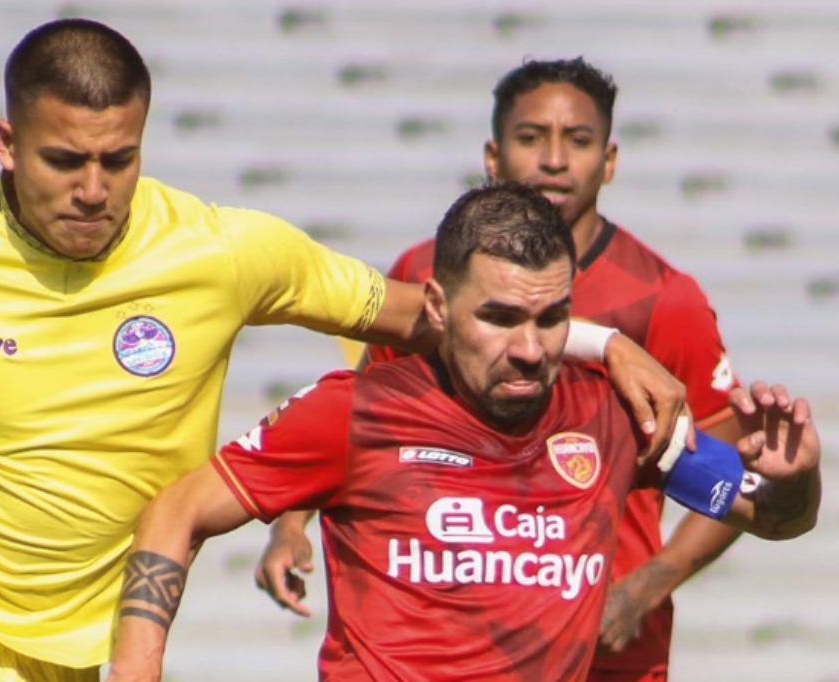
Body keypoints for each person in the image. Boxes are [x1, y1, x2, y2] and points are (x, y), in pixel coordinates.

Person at [0, 22, 682, 681]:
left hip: (73, 644)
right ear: (8, 145)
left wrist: (598, 344)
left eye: (119, 157)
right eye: (65, 160)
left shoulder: (227, 250)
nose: (94, 187)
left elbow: (435, 314)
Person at [106, 182, 822, 682]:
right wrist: (137, 671)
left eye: (551, 320)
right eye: (501, 319)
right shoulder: (355, 412)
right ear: (441, 307)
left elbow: (768, 515)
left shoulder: (611, 414)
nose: (532, 349)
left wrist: (796, 480)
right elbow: (179, 510)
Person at [256, 57, 744, 681]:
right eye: (530, 137)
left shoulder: (663, 297)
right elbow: (360, 414)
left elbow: (732, 473)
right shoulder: (430, 273)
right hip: (455, 629)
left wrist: (645, 586)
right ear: (493, 155)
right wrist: (291, 524)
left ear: (610, 160)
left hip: (609, 642)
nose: (555, 160)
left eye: (579, 140)